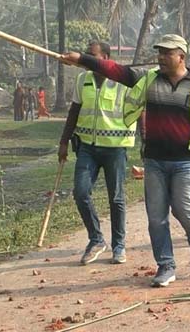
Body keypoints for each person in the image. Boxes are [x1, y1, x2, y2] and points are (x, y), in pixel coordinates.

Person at [61, 34, 190, 288]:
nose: (161, 58)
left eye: (167, 53)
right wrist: (83, 60)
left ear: (181, 57)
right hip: (155, 160)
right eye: (159, 53)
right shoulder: (149, 79)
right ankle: (166, 265)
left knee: (183, 207)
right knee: (156, 217)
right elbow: (116, 71)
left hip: (185, 161)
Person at [58, 41, 137, 265]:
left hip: (115, 147)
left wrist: (145, 139)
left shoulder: (122, 81)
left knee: (116, 198)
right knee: (80, 192)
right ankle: (96, 239)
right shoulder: (83, 80)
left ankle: (119, 246)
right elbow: (74, 111)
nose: (87, 60)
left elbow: (138, 111)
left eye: (91, 56)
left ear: (106, 58)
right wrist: (64, 141)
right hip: (87, 147)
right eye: (85, 55)